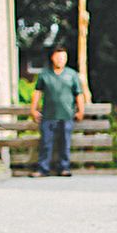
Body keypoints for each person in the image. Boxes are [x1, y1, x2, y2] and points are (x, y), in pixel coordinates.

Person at [30, 46, 84, 177]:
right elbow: (37, 92)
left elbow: (78, 94)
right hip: (48, 115)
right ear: (53, 58)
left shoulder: (72, 75)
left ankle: (64, 168)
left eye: (64, 58)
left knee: (65, 143)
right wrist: (33, 109)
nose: (61, 60)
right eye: (58, 57)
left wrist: (81, 110)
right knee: (46, 143)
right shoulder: (44, 75)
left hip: (66, 115)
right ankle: (43, 169)